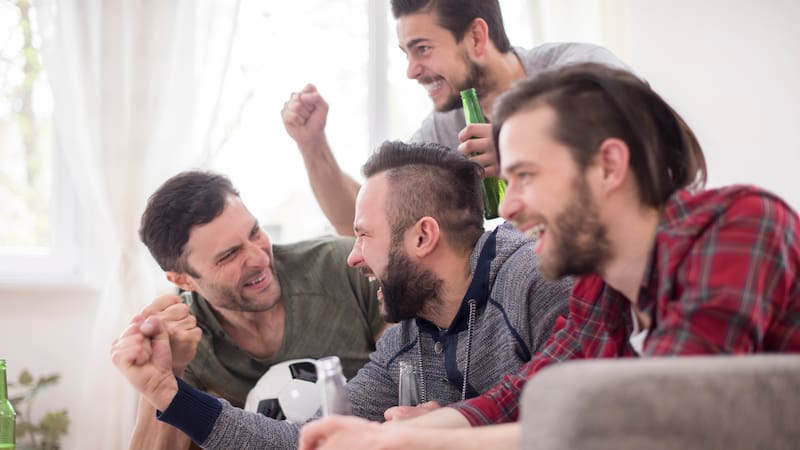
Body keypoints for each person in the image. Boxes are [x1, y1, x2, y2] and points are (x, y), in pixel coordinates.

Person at [296, 63, 800, 450]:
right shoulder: (599, 288)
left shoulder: (741, 223)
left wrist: (426, 439)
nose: (509, 205)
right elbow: (522, 397)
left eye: (526, 176)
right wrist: (394, 438)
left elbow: (656, 417)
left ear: (607, 165)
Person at [110, 141, 573, 449]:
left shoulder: (534, 277)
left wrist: (441, 430)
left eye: (363, 235)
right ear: (183, 279)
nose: (351, 258)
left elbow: (586, 421)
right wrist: (168, 393)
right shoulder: (407, 344)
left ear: (422, 237)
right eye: (230, 254)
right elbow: (305, 441)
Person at [281, 0, 631, 235]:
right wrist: (313, 146)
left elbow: (644, 138)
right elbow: (362, 222)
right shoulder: (443, 130)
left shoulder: (579, 67)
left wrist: (524, 148)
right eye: (406, 53)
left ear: (477, 37)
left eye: (423, 49)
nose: (411, 71)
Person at [125, 171, 387, 450]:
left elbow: (409, 379)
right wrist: (167, 371)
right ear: (183, 280)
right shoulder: (185, 340)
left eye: (254, 233)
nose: (260, 258)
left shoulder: (347, 268)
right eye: (229, 255)